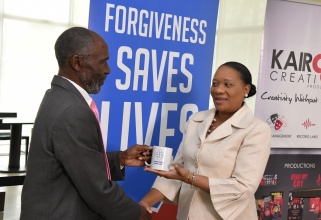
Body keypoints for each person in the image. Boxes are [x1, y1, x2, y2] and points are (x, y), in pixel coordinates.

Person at [20, 27, 152, 220]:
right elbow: (97, 189)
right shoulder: (73, 110)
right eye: (103, 62)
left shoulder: (57, 97)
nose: (108, 70)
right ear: (77, 63)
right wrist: (137, 214)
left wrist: (120, 159)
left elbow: (74, 159)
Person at [139, 61, 272, 220]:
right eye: (215, 83)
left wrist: (189, 178)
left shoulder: (256, 129)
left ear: (246, 89)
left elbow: (242, 188)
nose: (218, 90)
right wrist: (145, 203)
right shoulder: (196, 120)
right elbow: (177, 170)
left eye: (227, 84)